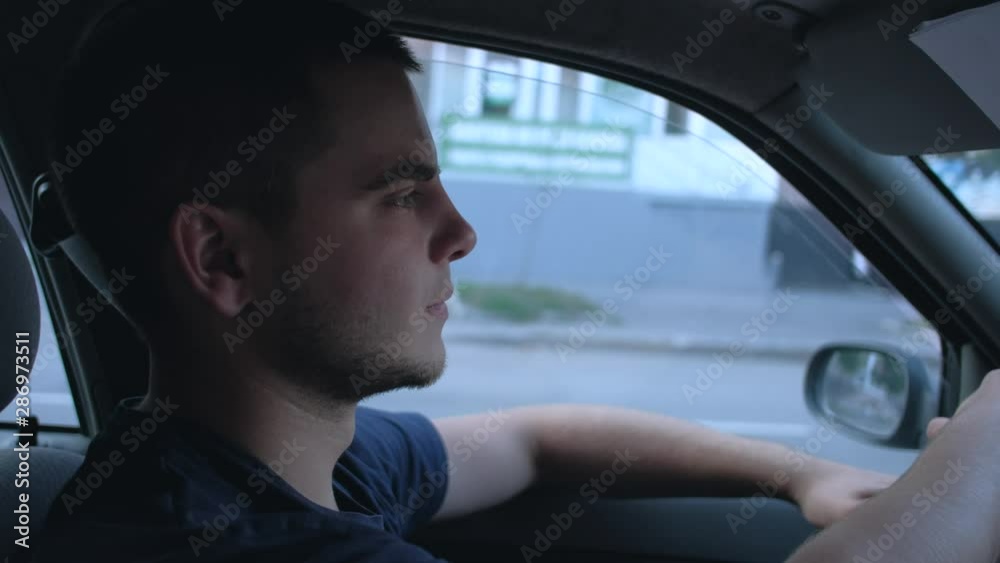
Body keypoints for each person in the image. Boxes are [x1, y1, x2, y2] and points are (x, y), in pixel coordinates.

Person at [32, 1, 996, 561]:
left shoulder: (243, 465)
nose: (461, 232)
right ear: (222, 259)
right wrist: (982, 454)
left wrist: (797, 472)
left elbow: (532, 439)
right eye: (400, 192)